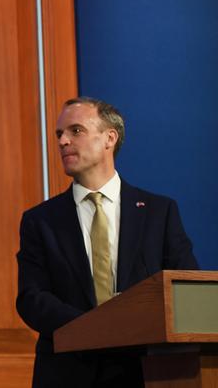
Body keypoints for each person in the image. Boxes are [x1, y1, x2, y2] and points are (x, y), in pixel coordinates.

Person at [16, 97, 198, 387]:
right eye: (59, 134)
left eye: (76, 131)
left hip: (146, 372)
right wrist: (96, 328)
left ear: (109, 138)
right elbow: (31, 299)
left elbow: (187, 294)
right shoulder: (40, 221)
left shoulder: (159, 213)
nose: (63, 141)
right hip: (68, 373)